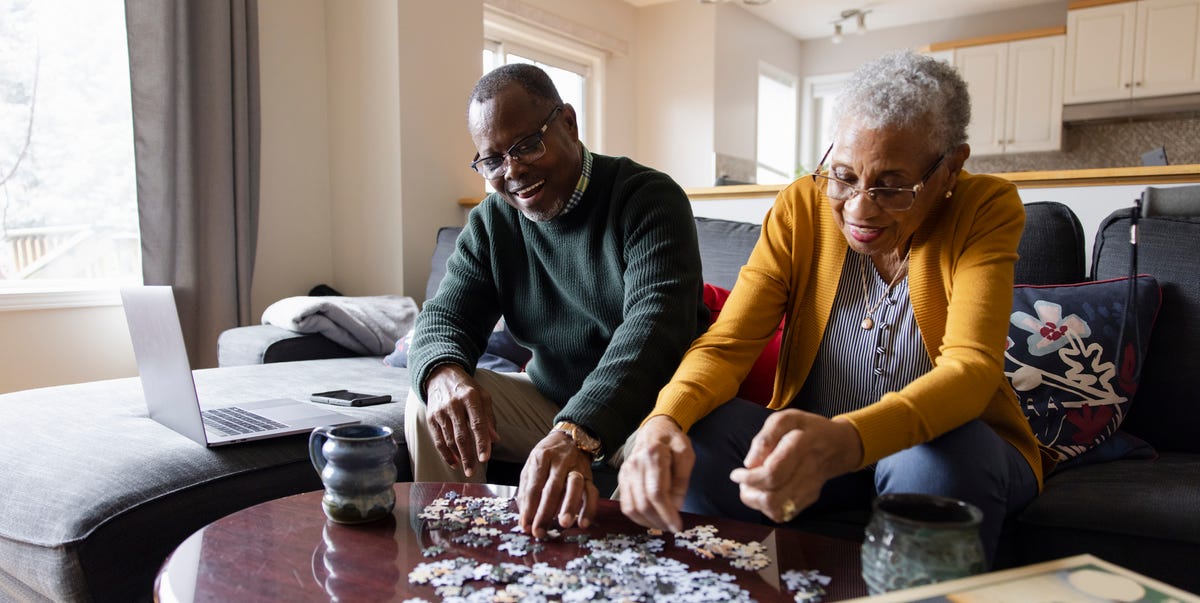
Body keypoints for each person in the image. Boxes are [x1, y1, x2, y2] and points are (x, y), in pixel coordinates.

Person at [617, 50, 1050, 564]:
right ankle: (727, 588)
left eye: (892, 187)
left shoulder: (985, 208)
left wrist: (846, 439)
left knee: (936, 463)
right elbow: (728, 343)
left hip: (942, 450)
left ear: (951, 167)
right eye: (843, 176)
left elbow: (972, 368)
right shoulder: (802, 206)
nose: (860, 208)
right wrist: (663, 420)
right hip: (820, 448)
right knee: (703, 431)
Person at [405, 63, 708, 537]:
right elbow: (445, 316)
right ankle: (455, 555)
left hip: (647, 413)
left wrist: (576, 433)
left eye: (527, 145)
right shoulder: (492, 223)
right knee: (428, 404)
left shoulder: (647, 197)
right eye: (492, 160)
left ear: (568, 123)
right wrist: (443, 373)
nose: (513, 170)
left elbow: (654, 330)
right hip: (551, 401)